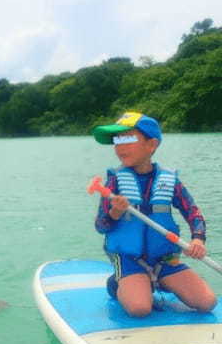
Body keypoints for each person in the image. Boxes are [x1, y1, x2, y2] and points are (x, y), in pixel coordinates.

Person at [92, 111, 217, 317]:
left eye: (128, 138)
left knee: (206, 302)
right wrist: (115, 212)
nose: (120, 146)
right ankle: (117, 283)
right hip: (129, 259)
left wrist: (198, 240)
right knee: (140, 309)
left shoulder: (169, 180)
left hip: (165, 259)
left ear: (151, 144)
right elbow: (100, 226)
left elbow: (193, 213)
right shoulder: (114, 182)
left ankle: (156, 281)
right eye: (117, 140)